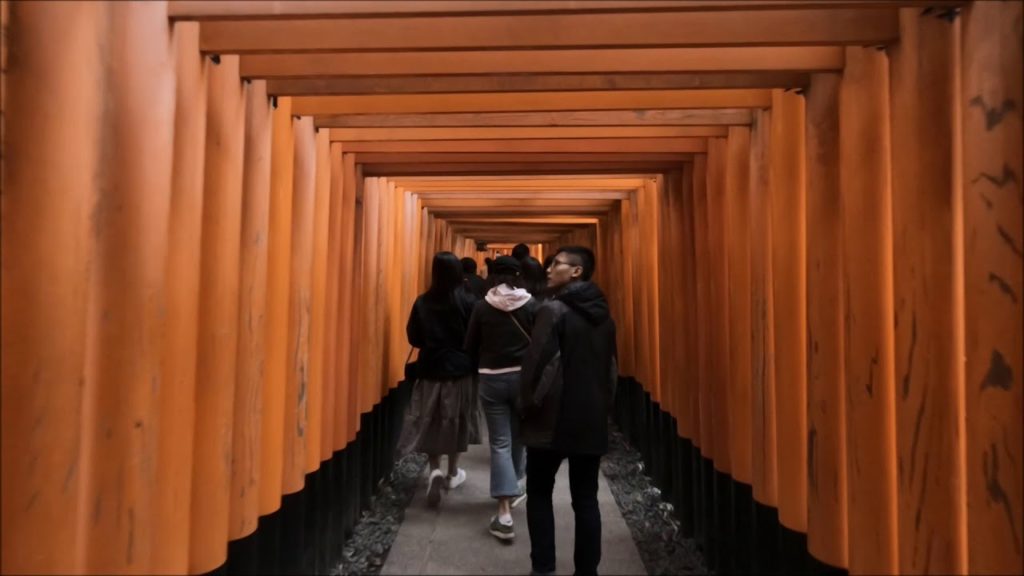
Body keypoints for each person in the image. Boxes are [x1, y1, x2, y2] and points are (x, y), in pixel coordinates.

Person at [519, 246, 618, 576]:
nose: (549, 269)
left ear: (576, 271)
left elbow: (536, 365)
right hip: (590, 417)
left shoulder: (553, 310)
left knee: (538, 493)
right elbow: (611, 370)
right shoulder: (605, 316)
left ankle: (544, 567)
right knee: (586, 500)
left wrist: (526, 404)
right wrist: (603, 407)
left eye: (556, 264)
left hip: (552, 418)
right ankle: (587, 571)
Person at [465, 256, 538, 541]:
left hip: (491, 378)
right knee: (519, 436)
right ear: (518, 275)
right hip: (523, 378)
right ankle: (516, 484)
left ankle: (504, 512)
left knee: (500, 442)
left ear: (493, 276)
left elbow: (469, 345)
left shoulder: (482, 306)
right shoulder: (531, 305)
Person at [398, 251, 480, 507]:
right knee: (454, 419)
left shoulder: (423, 301)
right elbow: (477, 337)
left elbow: (414, 337)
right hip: (460, 369)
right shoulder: (469, 302)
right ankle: (453, 472)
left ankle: (434, 468)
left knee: (431, 418)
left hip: (431, 367)